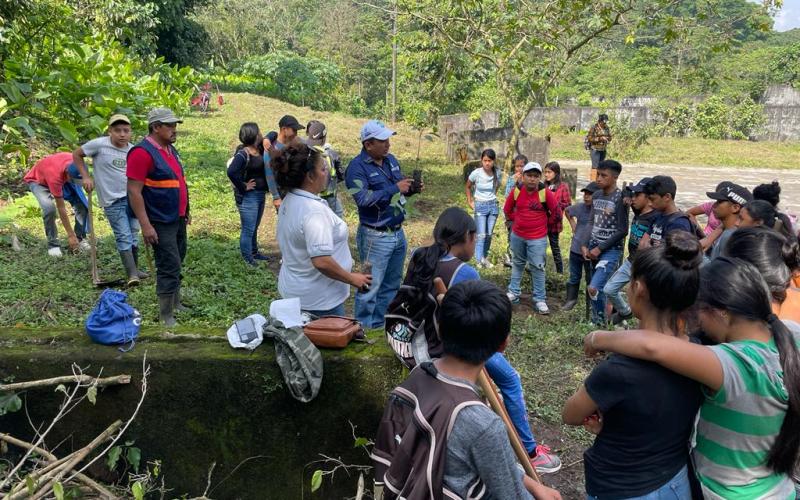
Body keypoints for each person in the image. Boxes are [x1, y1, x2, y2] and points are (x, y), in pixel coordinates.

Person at [585, 257, 800, 500]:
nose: (698, 323)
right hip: (779, 489)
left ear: (721, 312)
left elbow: (653, 347)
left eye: (700, 312)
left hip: (728, 493)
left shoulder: (733, 364)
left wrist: (597, 338)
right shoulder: (791, 335)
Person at [392, 207, 562, 473]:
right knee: (510, 379)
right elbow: (477, 318)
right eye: (476, 237)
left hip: (417, 338)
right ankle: (530, 452)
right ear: (468, 236)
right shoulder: (465, 272)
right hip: (452, 343)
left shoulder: (419, 256)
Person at [372, 280, 563, 500]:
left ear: (441, 330)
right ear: (503, 344)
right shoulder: (483, 425)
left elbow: (494, 466)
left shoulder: (417, 376)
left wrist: (531, 483)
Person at [564, 232, 704, 500]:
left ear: (638, 289)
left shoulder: (618, 370)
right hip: (676, 482)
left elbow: (570, 415)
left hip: (621, 487)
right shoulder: (699, 355)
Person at [272, 143, 371, 316]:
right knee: (324, 339)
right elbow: (321, 261)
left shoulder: (289, 199)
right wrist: (353, 278)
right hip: (320, 302)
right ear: (310, 176)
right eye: (323, 169)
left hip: (296, 290)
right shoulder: (314, 212)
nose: (327, 174)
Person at [346, 120, 420, 329]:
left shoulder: (390, 160)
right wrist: (395, 188)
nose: (388, 144)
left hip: (397, 233)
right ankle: (363, 329)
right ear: (368, 145)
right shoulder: (356, 168)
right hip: (374, 236)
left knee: (391, 285)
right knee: (370, 286)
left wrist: (410, 188)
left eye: (388, 139)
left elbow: (398, 189)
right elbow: (362, 198)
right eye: (382, 141)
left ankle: (379, 326)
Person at [127, 107, 190, 327]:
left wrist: (186, 211)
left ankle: (176, 302)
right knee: (168, 263)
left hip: (177, 217)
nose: (175, 130)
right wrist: (145, 225)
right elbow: (134, 191)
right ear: (155, 127)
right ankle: (165, 315)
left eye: (175, 125)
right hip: (160, 220)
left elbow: (177, 181)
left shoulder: (170, 150)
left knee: (178, 257)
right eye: (170, 126)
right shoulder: (141, 153)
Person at [72, 114, 147, 284]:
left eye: (126, 131)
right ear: (110, 131)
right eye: (117, 130)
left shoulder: (133, 150)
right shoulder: (99, 145)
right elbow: (76, 154)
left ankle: (135, 268)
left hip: (132, 197)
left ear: (131, 132)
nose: (122, 134)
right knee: (123, 235)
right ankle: (131, 275)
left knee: (134, 233)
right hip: (112, 199)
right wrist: (86, 177)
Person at [504, 162, 559, 314]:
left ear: (539, 178)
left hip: (537, 237)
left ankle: (540, 299)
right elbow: (507, 208)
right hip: (518, 235)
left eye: (536, 176)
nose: (532, 179)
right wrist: (516, 220)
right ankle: (513, 292)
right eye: (529, 175)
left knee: (538, 266)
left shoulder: (545, 193)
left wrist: (545, 225)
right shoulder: (517, 190)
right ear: (523, 176)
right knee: (518, 263)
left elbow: (555, 211)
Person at [604, 177, 658, 325]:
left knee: (644, 300)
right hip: (631, 260)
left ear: (649, 198)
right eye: (633, 196)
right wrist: (628, 196)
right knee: (609, 289)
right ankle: (626, 312)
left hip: (646, 266)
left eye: (637, 195)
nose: (633, 199)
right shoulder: (638, 209)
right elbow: (625, 191)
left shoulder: (657, 217)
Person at [585, 160, 628, 325]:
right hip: (592, 246)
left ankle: (602, 321)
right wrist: (584, 244)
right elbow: (590, 223)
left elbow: (623, 230)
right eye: (598, 175)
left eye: (604, 175)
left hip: (610, 250)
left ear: (615, 177)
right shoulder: (596, 196)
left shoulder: (620, 198)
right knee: (597, 287)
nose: (599, 179)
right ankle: (600, 318)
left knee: (594, 287)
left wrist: (600, 248)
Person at [24, 152, 91, 257]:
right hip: (38, 181)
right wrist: (70, 235)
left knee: (82, 205)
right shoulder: (55, 176)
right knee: (49, 209)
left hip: (63, 177)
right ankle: (53, 244)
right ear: (68, 173)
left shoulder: (77, 163)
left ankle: (80, 238)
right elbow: (61, 208)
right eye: (74, 180)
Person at [226, 122, 269, 266]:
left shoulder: (260, 150)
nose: (261, 134)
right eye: (259, 132)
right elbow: (231, 172)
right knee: (248, 228)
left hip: (260, 194)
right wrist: (243, 186)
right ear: (254, 135)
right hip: (249, 197)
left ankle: (254, 252)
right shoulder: (243, 154)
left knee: (254, 227)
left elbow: (273, 134)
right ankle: (247, 259)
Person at [563, 182, 599, 311]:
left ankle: (591, 304)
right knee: (574, 277)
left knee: (591, 279)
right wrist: (572, 223)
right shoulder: (580, 207)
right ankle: (571, 300)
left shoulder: (600, 211)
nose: (586, 197)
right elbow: (567, 211)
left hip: (591, 251)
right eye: (585, 194)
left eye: (590, 194)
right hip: (576, 248)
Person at [465, 148, 503, 268]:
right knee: (481, 235)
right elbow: (468, 186)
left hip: (493, 206)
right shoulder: (476, 173)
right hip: (480, 205)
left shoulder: (498, 173)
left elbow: (496, 188)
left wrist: (491, 197)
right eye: (485, 160)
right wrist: (470, 201)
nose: (487, 163)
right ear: (481, 160)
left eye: (490, 160)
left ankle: (484, 258)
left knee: (489, 234)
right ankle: (478, 260)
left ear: (493, 161)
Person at [262, 115, 304, 211]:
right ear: (284, 129)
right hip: (282, 191)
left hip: (296, 189)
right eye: (294, 130)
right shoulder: (271, 148)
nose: (296, 133)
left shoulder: (295, 143)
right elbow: (269, 173)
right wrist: (276, 196)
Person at [638, 175, 693, 249]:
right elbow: (642, 244)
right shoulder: (657, 215)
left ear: (667, 197)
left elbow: (675, 256)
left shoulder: (679, 224)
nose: (649, 204)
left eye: (652, 199)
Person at [305, 120, 344, 219]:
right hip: (328, 194)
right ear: (324, 138)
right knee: (335, 217)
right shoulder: (330, 154)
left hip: (308, 196)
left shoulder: (302, 150)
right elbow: (340, 174)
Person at [705, 182, 752, 261]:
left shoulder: (730, 236)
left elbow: (719, 269)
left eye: (719, 202)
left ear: (735, 208)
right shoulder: (728, 231)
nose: (714, 205)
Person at [544, 161, 572, 274]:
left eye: (549, 172)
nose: (546, 175)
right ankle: (540, 270)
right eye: (545, 172)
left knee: (554, 247)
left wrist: (555, 205)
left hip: (555, 222)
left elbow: (567, 203)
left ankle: (560, 272)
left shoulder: (562, 187)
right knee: (540, 248)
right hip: (541, 222)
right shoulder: (543, 185)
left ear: (556, 173)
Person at [503, 154, 527, 268]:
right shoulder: (511, 178)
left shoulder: (529, 179)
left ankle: (522, 258)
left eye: (521, 166)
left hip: (525, 213)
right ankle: (512, 257)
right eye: (517, 166)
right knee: (512, 235)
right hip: (513, 213)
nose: (519, 169)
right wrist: (514, 183)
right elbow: (507, 195)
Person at [586, 114, 611, 181]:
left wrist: (607, 138)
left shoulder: (606, 128)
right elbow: (590, 138)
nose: (605, 123)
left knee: (601, 166)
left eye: (606, 121)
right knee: (595, 166)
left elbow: (610, 137)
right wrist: (600, 139)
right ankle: (593, 181)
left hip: (603, 149)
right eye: (603, 121)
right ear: (600, 121)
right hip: (595, 149)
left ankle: (598, 180)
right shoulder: (594, 127)